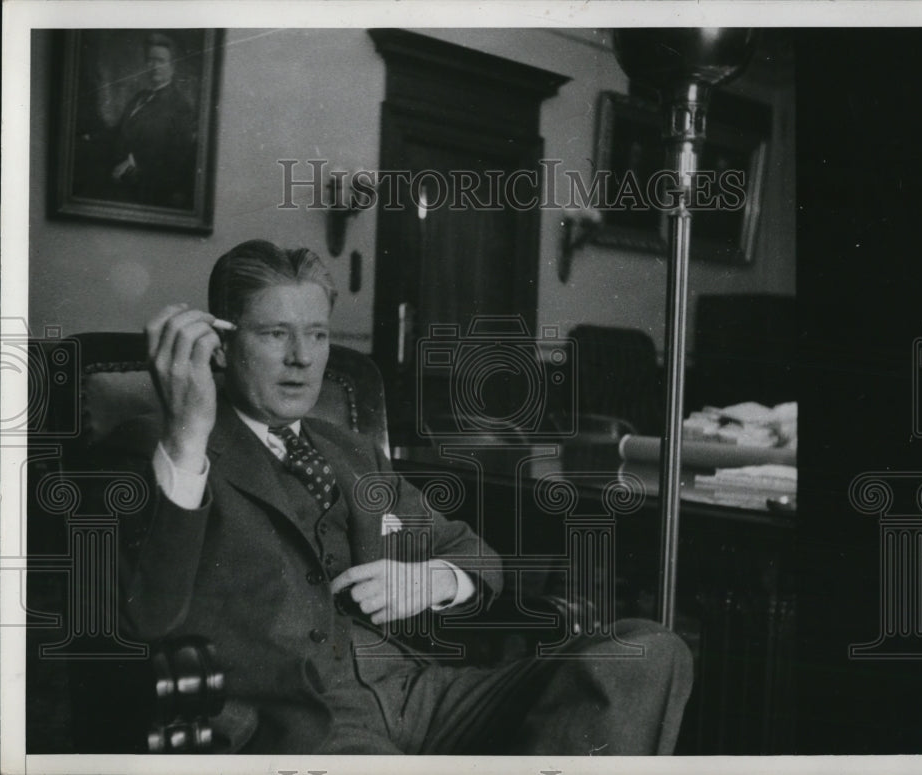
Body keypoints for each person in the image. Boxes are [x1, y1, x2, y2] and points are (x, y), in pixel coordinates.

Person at [114, 238, 693, 754]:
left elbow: (477, 557)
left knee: (650, 652)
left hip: (426, 695)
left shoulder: (350, 452)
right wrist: (187, 435)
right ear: (220, 342)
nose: (303, 357)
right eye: (275, 334)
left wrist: (435, 579)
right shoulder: (160, 446)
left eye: (316, 334)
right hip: (304, 727)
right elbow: (146, 615)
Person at [109, 33, 196, 207]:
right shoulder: (139, 97)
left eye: (161, 61)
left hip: (149, 188)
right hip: (120, 176)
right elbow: (118, 132)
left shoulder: (180, 106)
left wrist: (132, 163)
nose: (155, 66)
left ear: (173, 66)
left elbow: (175, 157)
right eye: (151, 60)